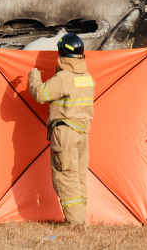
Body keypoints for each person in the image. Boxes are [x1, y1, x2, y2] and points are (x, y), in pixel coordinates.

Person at [28, 32, 94, 226]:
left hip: (65, 132)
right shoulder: (87, 77)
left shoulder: (64, 78)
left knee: (66, 177)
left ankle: (75, 223)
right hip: (82, 133)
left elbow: (41, 94)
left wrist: (34, 76)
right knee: (79, 177)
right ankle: (80, 219)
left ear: (62, 53)